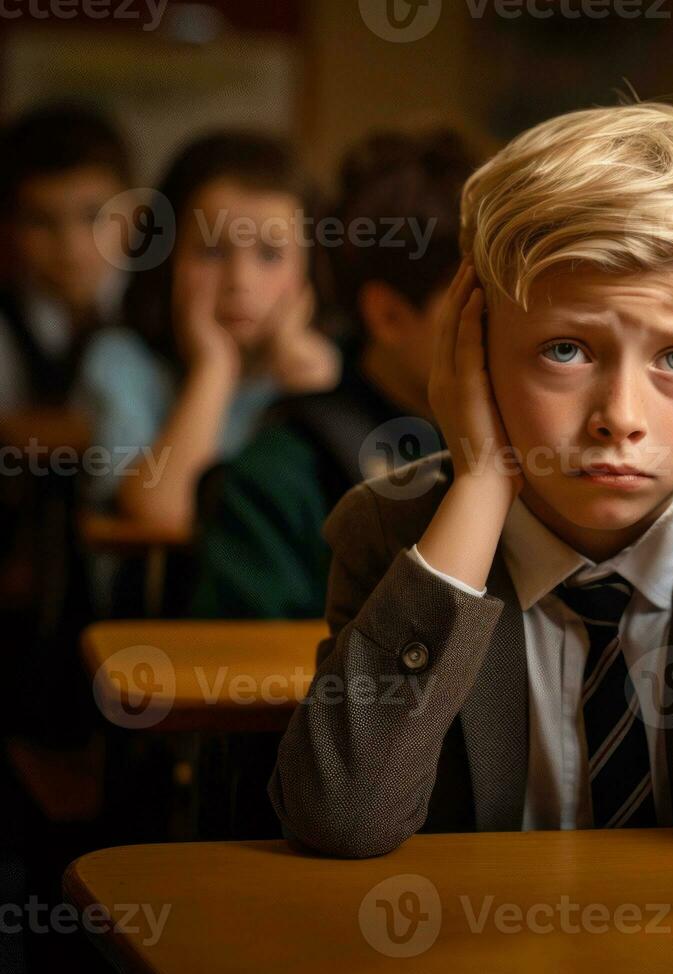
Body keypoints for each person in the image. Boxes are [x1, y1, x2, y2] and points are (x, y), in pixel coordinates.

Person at [270, 101, 673, 858]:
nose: (619, 417)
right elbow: (341, 816)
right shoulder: (392, 533)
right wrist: (478, 481)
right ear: (474, 347)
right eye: (566, 351)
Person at [190, 128, 481, 620]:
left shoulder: (534, 445)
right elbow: (247, 680)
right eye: (479, 310)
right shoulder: (280, 474)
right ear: (388, 315)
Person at [73, 132, 340, 530]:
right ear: (166, 260)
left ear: (309, 269)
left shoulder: (334, 367)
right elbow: (161, 511)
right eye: (212, 252)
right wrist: (213, 369)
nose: (239, 280)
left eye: (270, 254)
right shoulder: (121, 361)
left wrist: (315, 399)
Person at [0, 104, 131, 412]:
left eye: (93, 216)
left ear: (134, 216)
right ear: (10, 226)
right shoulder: (7, 320)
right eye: (41, 220)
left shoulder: (163, 311)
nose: (70, 246)